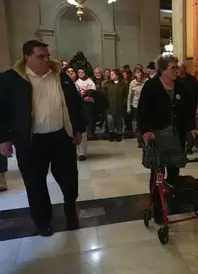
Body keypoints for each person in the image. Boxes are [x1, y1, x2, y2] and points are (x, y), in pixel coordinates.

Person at [0, 40, 85, 236]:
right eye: (41, 56)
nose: (47, 60)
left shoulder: (59, 76)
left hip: (61, 138)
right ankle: (42, 221)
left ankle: (70, 209)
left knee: (69, 179)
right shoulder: (11, 80)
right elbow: (2, 111)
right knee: (35, 184)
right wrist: (3, 138)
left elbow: (74, 104)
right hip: (31, 142)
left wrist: (78, 129)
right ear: (27, 57)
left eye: (47, 55)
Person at [138, 54, 198, 224]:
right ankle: (157, 208)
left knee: (174, 170)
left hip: (176, 135)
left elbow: (188, 111)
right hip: (157, 136)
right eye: (173, 68)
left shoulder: (180, 87)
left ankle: (172, 200)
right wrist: (145, 132)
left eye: (177, 67)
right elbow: (142, 112)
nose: (177, 71)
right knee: (157, 173)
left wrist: (192, 127)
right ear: (162, 70)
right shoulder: (151, 86)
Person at [178, 62, 198, 154]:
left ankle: (189, 146)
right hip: (180, 108)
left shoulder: (192, 80)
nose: (178, 70)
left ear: (184, 69)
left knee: (191, 126)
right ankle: (181, 146)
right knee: (182, 127)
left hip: (191, 107)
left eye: (179, 68)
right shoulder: (176, 81)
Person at [75, 68, 96, 160]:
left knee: (90, 119)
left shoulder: (90, 81)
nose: (81, 73)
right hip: (80, 104)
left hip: (88, 103)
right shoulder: (76, 82)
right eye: (79, 72)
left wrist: (85, 92)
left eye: (83, 72)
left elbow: (93, 90)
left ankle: (90, 132)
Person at [102, 69, 128, 142]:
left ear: (117, 75)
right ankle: (111, 133)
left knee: (119, 120)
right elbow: (103, 94)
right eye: (110, 74)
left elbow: (126, 95)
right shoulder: (107, 84)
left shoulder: (123, 84)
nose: (111, 76)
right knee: (110, 120)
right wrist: (106, 101)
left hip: (120, 106)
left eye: (112, 74)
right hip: (109, 106)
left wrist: (124, 103)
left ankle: (119, 134)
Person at [127, 67, 147, 147]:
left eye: (141, 72)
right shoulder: (132, 83)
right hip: (136, 105)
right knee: (138, 123)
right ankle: (140, 140)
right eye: (138, 72)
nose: (140, 74)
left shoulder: (146, 81)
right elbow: (130, 96)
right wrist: (128, 107)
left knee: (145, 123)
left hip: (145, 105)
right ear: (135, 74)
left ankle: (146, 139)